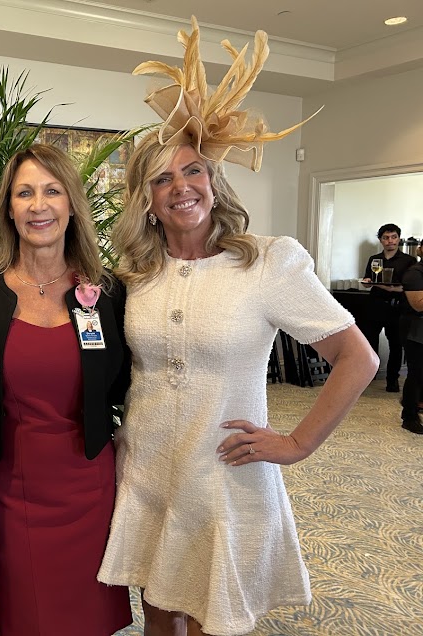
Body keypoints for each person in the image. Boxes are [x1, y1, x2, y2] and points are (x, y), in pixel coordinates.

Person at [98, 19, 379, 636]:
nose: (181, 188)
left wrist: (298, 442)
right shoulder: (135, 273)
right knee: (158, 614)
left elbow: (358, 358)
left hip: (223, 474)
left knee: (213, 616)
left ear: (214, 180)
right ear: (146, 198)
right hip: (147, 469)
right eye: (162, 178)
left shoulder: (268, 262)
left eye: (193, 171)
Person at [0, 143, 133, 635]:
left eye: (52, 191)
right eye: (24, 193)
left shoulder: (107, 293)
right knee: (22, 617)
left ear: (72, 205)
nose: (38, 205)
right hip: (10, 488)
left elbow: (124, 382)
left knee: (84, 619)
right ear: (9, 208)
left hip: (88, 486)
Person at [361, 223, 417, 392]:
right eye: (386, 238)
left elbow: (407, 287)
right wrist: (367, 282)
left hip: (397, 307)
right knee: (368, 342)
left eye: (393, 237)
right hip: (375, 305)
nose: (390, 241)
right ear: (380, 240)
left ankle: (392, 380)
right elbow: (368, 280)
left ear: (398, 239)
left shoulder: (409, 260)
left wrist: (389, 288)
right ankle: (366, 377)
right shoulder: (374, 259)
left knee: (396, 344)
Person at [399, 246, 423, 434]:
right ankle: (409, 417)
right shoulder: (414, 273)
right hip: (415, 329)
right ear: (421, 250)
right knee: (417, 372)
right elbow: (418, 305)